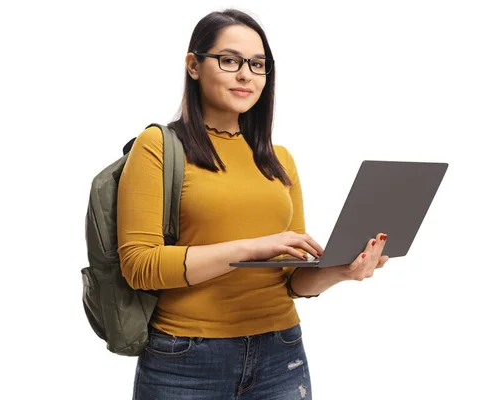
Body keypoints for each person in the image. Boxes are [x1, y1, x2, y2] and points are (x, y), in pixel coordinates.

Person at [117, 8, 389, 400]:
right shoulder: (158, 147)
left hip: (281, 352)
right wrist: (251, 248)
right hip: (186, 358)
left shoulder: (279, 160)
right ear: (194, 66)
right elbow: (139, 266)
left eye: (258, 64)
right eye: (230, 60)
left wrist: (342, 271)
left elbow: (292, 280)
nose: (246, 74)